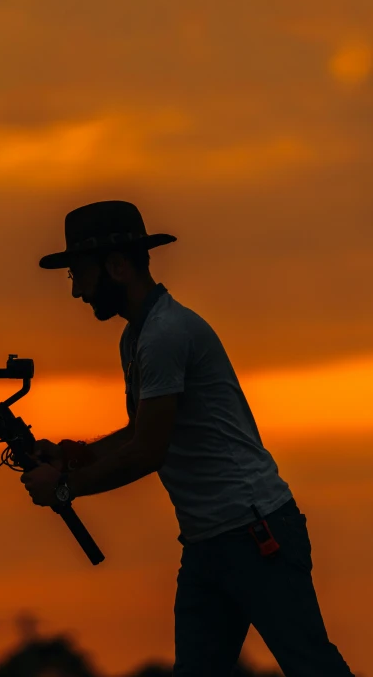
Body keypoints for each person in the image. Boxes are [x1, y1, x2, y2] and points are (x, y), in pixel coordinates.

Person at [21, 200, 356, 677]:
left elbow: (149, 451)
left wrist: (64, 488)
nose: (76, 291)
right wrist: (74, 458)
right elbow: (142, 432)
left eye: (79, 274)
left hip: (253, 533)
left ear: (116, 266)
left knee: (311, 666)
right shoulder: (137, 339)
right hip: (208, 544)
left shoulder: (163, 336)